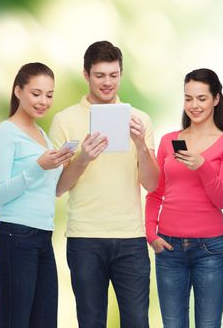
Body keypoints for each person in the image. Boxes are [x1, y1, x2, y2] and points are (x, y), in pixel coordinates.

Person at [48, 41, 159, 328]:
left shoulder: (140, 120)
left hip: (131, 239)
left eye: (113, 75)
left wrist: (141, 146)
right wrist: (82, 158)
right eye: (100, 75)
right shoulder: (65, 120)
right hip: (85, 237)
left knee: (137, 322)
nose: (107, 82)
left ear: (121, 74)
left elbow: (152, 184)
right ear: (86, 75)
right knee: (91, 321)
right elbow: (57, 188)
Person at [145, 68, 223, 328]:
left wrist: (203, 166)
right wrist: (151, 233)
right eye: (188, 99)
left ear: (216, 99)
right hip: (169, 249)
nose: (194, 106)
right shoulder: (169, 141)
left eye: (201, 98)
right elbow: (155, 191)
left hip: (211, 250)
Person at [0, 62, 74, 328]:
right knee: (17, 321)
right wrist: (38, 166)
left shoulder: (42, 136)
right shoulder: (7, 132)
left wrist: (75, 162)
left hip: (42, 236)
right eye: (36, 93)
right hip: (15, 235)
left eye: (49, 95)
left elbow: (55, 190)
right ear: (18, 91)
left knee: (45, 321)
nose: (43, 101)